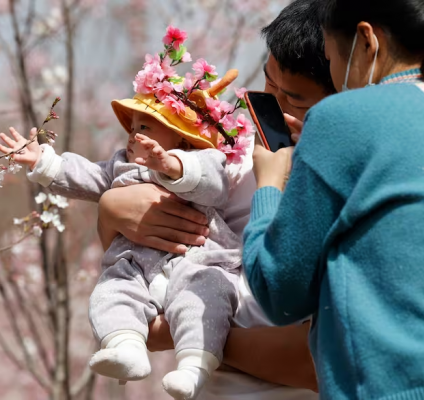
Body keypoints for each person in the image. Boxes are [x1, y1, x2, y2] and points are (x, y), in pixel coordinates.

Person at [97, 0, 335, 398]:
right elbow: (151, 258)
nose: (270, 105)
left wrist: (190, 329)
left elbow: (314, 360)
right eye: (267, 82)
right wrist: (111, 213)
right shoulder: (232, 155)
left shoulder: (345, 181)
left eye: (293, 99)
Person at [0, 61, 253, 398]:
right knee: (111, 293)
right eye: (132, 126)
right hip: (135, 266)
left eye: (145, 126)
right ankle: (126, 347)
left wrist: (170, 165)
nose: (134, 134)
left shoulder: (202, 162)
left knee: (206, 300)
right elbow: (85, 175)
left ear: (182, 138)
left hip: (196, 264)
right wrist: (43, 162)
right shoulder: (121, 165)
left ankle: (193, 366)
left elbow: (210, 183)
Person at [243, 0, 424, 398]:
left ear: (365, 40)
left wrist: (269, 185)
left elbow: (279, 291)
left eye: (330, 55)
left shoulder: (344, 116)